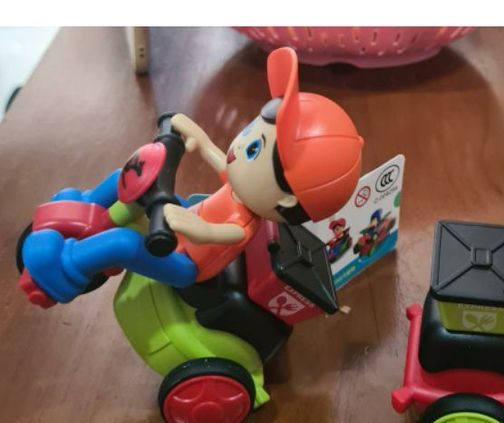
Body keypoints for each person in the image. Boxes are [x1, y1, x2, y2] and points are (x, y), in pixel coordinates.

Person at [20, 47, 364, 305]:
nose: (238, 146)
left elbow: (216, 233)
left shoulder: (245, 222)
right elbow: (222, 160)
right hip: (183, 221)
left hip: (186, 265)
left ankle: (64, 271)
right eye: (250, 131)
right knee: (133, 178)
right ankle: (88, 207)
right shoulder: (241, 186)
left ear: (286, 198)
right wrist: (199, 137)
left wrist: (192, 226)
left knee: (124, 244)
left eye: (254, 149)